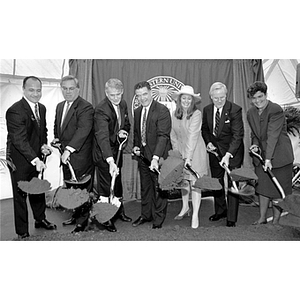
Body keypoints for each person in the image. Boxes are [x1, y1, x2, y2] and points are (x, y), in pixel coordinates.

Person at [6, 76, 56, 239]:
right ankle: (22, 231)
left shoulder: (41, 108)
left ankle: (40, 219)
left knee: (37, 189)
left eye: (38, 90)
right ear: (24, 89)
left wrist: (43, 145)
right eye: (31, 90)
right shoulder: (15, 110)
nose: (36, 94)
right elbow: (19, 140)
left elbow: (42, 131)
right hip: (19, 160)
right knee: (21, 195)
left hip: (36, 157)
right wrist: (35, 160)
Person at [246, 81, 294, 225]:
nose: (257, 101)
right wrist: (255, 145)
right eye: (254, 98)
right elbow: (255, 134)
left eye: (260, 97)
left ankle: (276, 221)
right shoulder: (250, 112)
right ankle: (262, 218)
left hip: (279, 157)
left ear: (265, 94)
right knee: (263, 189)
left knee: (278, 191)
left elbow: (272, 135)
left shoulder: (275, 110)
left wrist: (268, 159)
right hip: (262, 157)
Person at [53, 75, 94, 233]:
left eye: (71, 88)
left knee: (82, 191)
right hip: (65, 157)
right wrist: (57, 139)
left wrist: (69, 149)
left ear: (78, 89)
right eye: (65, 88)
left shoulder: (85, 107)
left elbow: (83, 131)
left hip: (80, 157)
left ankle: (83, 222)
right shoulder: (59, 106)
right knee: (70, 188)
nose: (68, 91)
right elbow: (58, 127)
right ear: (61, 89)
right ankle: (75, 215)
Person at [202, 82, 244, 227]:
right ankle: (220, 211)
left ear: (226, 95)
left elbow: (238, 135)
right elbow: (205, 130)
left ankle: (231, 217)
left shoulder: (235, 110)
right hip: (215, 152)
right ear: (211, 97)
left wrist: (228, 155)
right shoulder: (207, 110)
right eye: (216, 98)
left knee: (233, 183)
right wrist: (208, 142)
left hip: (233, 152)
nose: (219, 100)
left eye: (222, 97)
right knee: (217, 182)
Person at [93, 78, 132, 232]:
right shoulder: (101, 109)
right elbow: (102, 136)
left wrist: (123, 132)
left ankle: (119, 211)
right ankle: (105, 219)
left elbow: (126, 124)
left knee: (117, 183)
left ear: (122, 92)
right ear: (106, 93)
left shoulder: (123, 104)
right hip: (104, 155)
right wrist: (110, 161)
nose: (115, 98)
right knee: (105, 186)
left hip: (118, 150)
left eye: (118, 94)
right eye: (112, 95)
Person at [132, 81, 172, 229]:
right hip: (143, 157)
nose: (142, 98)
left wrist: (155, 158)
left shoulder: (162, 110)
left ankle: (158, 219)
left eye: (145, 94)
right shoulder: (137, 111)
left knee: (160, 188)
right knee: (146, 187)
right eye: (139, 96)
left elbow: (163, 136)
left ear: (151, 92)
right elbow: (137, 133)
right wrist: (136, 146)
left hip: (158, 158)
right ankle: (146, 215)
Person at [170, 85, 208, 229]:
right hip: (181, 152)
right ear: (179, 100)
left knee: (195, 183)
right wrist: (176, 153)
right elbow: (172, 135)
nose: (186, 101)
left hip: (195, 153)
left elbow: (193, 136)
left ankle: (195, 215)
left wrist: (188, 158)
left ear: (192, 101)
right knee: (184, 181)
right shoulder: (174, 114)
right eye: (183, 98)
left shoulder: (196, 114)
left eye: (189, 99)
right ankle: (185, 207)